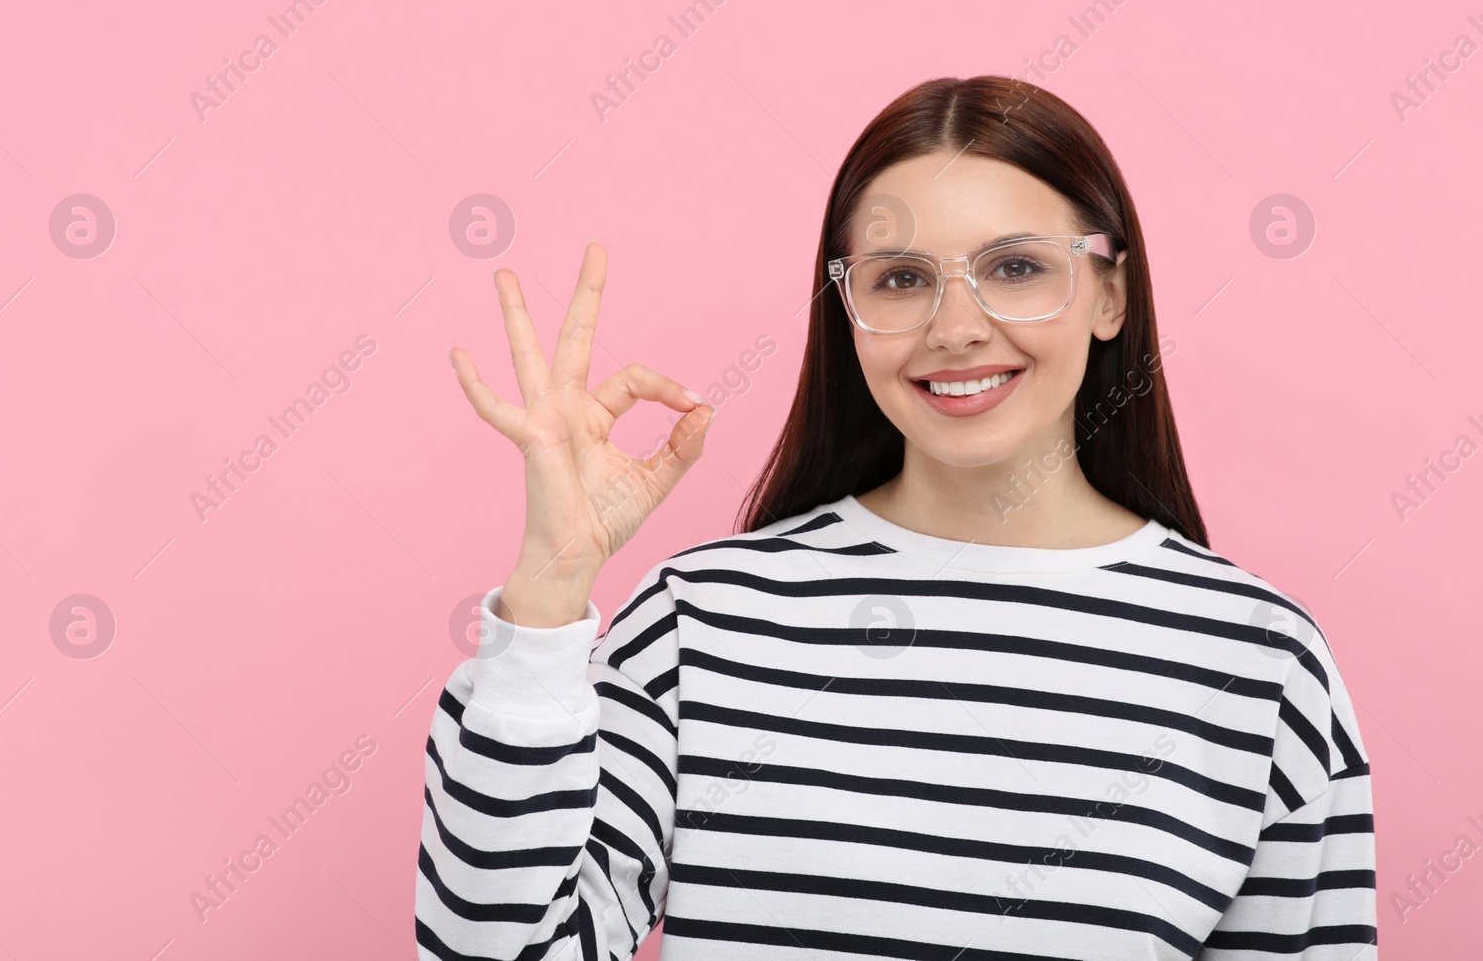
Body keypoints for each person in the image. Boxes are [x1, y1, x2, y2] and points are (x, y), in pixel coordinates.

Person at [417, 76, 1377, 959]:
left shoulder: (1258, 663)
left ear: (1111, 291)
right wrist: (547, 595)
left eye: (1014, 267)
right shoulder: (702, 624)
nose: (955, 326)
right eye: (901, 279)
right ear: (847, 309)